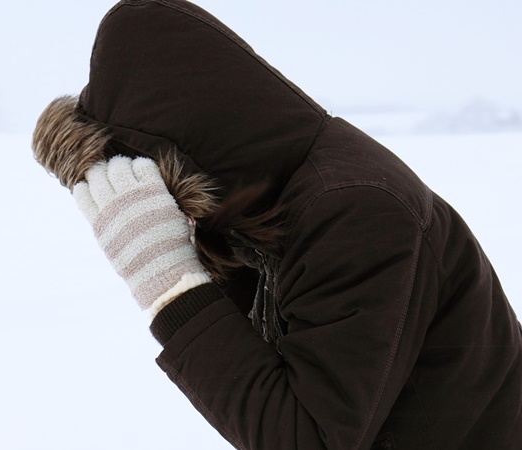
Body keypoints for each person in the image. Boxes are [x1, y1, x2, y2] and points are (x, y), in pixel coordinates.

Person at [32, 1, 522, 448]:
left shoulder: (353, 211)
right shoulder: (270, 200)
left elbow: (303, 437)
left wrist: (173, 290)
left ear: (177, 158)